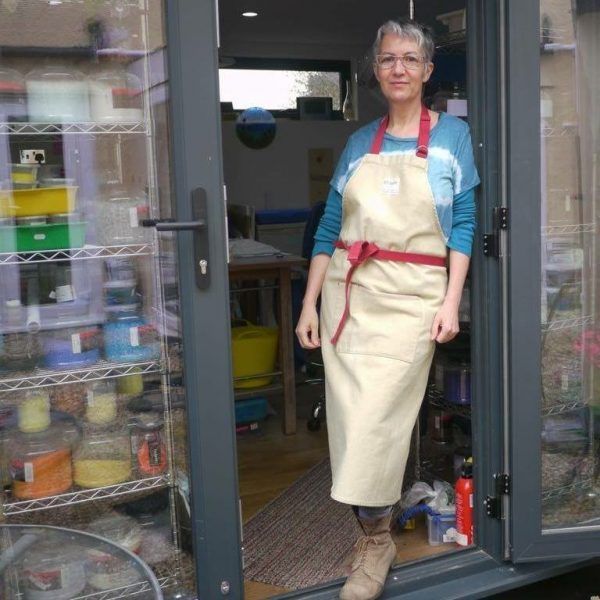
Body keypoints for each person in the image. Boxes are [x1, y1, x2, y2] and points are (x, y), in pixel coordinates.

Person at [295, 18, 480, 600]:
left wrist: (452, 302)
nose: (398, 68)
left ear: (427, 71)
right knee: (351, 429)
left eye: (409, 59)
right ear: (375, 72)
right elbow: (329, 228)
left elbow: (465, 226)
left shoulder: (452, 137)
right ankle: (375, 537)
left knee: (376, 425)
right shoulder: (359, 143)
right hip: (348, 299)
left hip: (411, 303)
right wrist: (308, 306)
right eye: (386, 59)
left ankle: (375, 543)